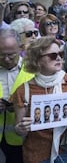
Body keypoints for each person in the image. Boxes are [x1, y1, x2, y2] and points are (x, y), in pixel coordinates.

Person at [11, 37, 67, 163]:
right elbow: (19, 131)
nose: (59, 58)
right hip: (37, 154)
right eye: (53, 55)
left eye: (60, 54)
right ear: (37, 60)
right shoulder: (23, 90)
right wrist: (21, 128)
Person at [0, 29, 24, 163]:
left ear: (20, 49)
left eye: (11, 55)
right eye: (1, 56)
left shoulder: (32, 69)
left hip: (23, 140)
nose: (7, 59)